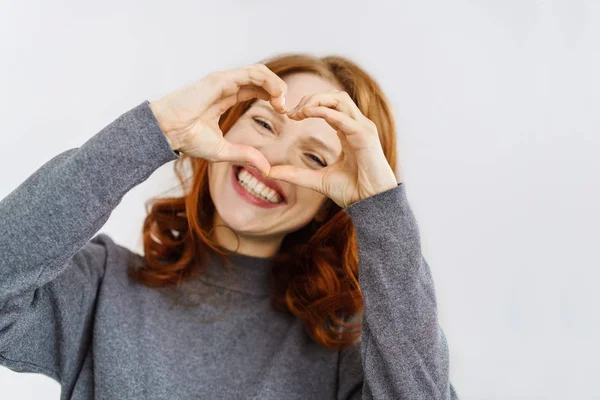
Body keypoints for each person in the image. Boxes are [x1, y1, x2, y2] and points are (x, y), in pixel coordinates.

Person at [0, 53, 459, 399]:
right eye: (264, 123)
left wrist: (381, 208)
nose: (271, 160)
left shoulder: (347, 347)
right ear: (225, 125)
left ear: (331, 204)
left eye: (314, 157)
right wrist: (152, 131)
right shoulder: (102, 286)